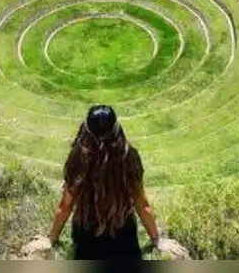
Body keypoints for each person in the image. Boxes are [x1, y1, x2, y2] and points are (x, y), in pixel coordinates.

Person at [48, 105, 164, 260]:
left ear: (86, 129)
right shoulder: (128, 157)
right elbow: (141, 205)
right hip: (123, 237)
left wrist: (51, 239)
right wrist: (157, 240)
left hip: (86, 238)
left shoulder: (79, 159)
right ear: (117, 129)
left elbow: (65, 206)